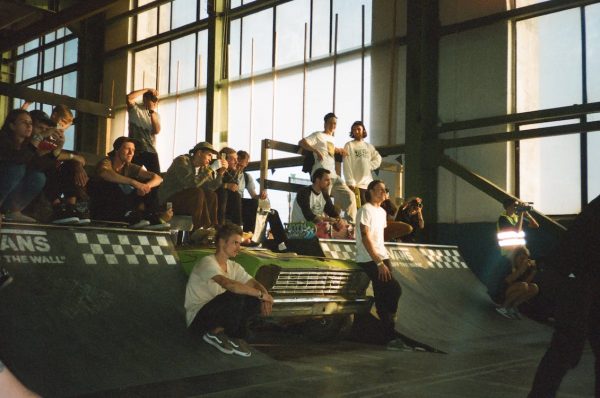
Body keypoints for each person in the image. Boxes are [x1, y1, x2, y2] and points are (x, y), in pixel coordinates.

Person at [528, 195, 600, 398]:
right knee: (565, 347)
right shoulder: (595, 213)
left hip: (577, 280)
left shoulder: (594, 209)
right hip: (579, 282)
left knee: (564, 348)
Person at [185, 222, 274, 357]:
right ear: (222, 242)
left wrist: (265, 297)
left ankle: (234, 335)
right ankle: (214, 332)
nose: (239, 248)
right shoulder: (207, 262)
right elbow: (228, 284)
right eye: (235, 243)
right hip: (199, 319)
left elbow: (254, 283)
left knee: (253, 299)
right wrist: (261, 295)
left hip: (219, 315)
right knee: (236, 293)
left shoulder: (234, 266)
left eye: (239, 243)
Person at [355, 180, 410, 350]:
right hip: (369, 259)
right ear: (370, 191)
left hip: (382, 256)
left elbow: (381, 235)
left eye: (385, 190)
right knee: (394, 289)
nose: (383, 192)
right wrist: (378, 262)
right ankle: (389, 335)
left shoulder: (382, 212)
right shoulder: (364, 210)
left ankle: (387, 335)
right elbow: (365, 237)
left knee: (383, 295)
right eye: (379, 190)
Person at [88, 137, 170, 229]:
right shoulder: (106, 162)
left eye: (133, 150)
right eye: (127, 149)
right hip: (102, 206)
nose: (131, 153)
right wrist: (134, 183)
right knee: (112, 183)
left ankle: (151, 217)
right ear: (116, 150)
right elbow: (105, 173)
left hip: (122, 205)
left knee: (149, 185)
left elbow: (158, 178)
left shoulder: (129, 166)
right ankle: (131, 216)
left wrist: (145, 186)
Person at [28, 110, 89, 224]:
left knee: (70, 165)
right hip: (32, 177)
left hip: (48, 177)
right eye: (40, 128)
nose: (44, 131)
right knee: (50, 164)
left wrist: (62, 147)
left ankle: (71, 207)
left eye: (46, 129)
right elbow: (41, 155)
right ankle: (57, 207)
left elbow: (79, 159)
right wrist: (71, 156)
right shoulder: (29, 140)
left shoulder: (48, 140)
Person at [298, 113, 356, 222]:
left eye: (335, 123)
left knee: (350, 196)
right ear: (325, 123)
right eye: (330, 123)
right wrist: (315, 151)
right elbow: (302, 142)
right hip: (322, 173)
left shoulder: (332, 139)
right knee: (324, 202)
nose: (333, 125)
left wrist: (339, 150)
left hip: (334, 175)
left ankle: (350, 224)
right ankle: (323, 226)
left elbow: (329, 149)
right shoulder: (318, 135)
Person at [159, 142, 222, 231]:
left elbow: (211, 187)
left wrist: (220, 173)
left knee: (211, 194)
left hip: (187, 200)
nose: (210, 159)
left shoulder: (203, 168)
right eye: (209, 155)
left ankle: (212, 228)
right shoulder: (181, 161)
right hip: (169, 201)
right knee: (197, 192)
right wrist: (210, 169)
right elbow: (191, 183)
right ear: (199, 153)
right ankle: (199, 229)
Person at [235, 151, 288, 249]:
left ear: (246, 164)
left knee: (272, 212)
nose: (239, 167)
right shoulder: (228, 174)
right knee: (253, 205)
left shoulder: (246, 177)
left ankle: (282, 243)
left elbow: (253, 195)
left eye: (242, 165)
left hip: (242, 203)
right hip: (234, 204)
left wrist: (261, 196)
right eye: (238, 164)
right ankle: (251, 237)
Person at [0, 110, 46, 223]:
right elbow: (18, 159)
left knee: (38, 177)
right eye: (24, 122)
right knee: (17, 169)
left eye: (30, 123)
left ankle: (13, 211)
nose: (29, 126)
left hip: (9, 196)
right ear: (12, 125)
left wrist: (57, 150)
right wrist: (37, 139)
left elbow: (38, 166)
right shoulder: (2, 140)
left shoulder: (27, 145)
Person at [342, 121, 382, 206]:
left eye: (358, 129)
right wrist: (350, 182)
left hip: (369, 185)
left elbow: (378, 158)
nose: (356, 131)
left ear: (363, 130)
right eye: (354, 130)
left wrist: (370, 166)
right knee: (359, 209)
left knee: (370, 208)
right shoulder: (349, 145)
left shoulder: (369, 146)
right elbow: (346, 165)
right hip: (357, 185)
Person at [494, 246, 540, 320]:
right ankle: (503, 307)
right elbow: (507, 281)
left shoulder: (523, 268)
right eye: (521, 258)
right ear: (515, 257)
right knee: (523, 286)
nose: (523, 261)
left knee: (534, 287)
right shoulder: (508, 264)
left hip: (512, 292)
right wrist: (521, 269)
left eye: (525, 259)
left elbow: (526, 285)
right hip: (500, 292)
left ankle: (513, 307)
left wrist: (533, 272)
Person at [126, 88, 161, 173]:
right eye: (152, 99)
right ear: (145, 99)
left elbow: (157, 130)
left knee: (156, 177)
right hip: (136, 150)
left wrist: (151, 111)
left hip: (150, 149)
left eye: (156, 100)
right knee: (132, 175)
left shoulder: (155, 115)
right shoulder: (136, 109)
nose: (155, 102)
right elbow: (129, 97)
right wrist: (147, 90)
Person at [217, 147, 243, 226]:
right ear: (225, 159)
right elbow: (211, 184)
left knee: (236, 195)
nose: (236, 162)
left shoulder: (234, 171)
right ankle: (220, 225)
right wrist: (226, 185)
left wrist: (230, 186)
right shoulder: (215, 168)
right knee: (223, 193)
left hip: (229, 197)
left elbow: (233, 187)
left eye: (236, 159)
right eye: (233, 159)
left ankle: (238, 227)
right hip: (216, 195)